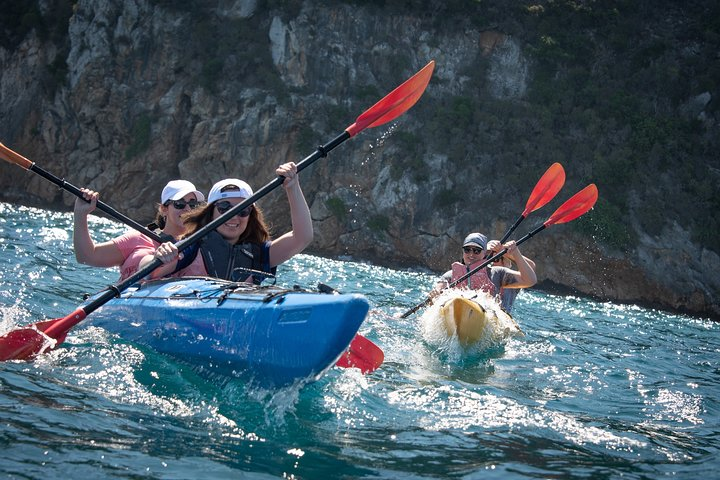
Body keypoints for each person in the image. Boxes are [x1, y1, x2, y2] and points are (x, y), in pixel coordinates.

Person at [142, 162, 313, 283]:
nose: (234, 216)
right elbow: (148, 272)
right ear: (211, 213)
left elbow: (302, 238)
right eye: (224, 207)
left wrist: (293, 187)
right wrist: (159, 257)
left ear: (250, 215)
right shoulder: (192, 247)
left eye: (243, 210)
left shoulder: (260, 254)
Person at [73, 180, 205, 280]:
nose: (188, 210)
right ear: (164, 209)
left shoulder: (205, 245)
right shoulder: (139, 239)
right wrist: (80, 213)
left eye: (193, 204)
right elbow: (87, 256)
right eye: (179, 204)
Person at [433, 232, 536, 312]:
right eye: (467, 250)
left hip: (493, 317)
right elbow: (439, 287)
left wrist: (512, 253)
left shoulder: (499, 274)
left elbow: (530, 276)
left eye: (477, 251)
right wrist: (436, 293)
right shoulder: (450, 275)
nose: (471, 254)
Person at [486, 239, 537, 313]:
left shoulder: (513, 280)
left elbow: (531, 267)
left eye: (496, 259)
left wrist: (506, 252)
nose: (491, 262)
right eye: (489, 258)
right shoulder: (484, 274)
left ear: (508, 264)